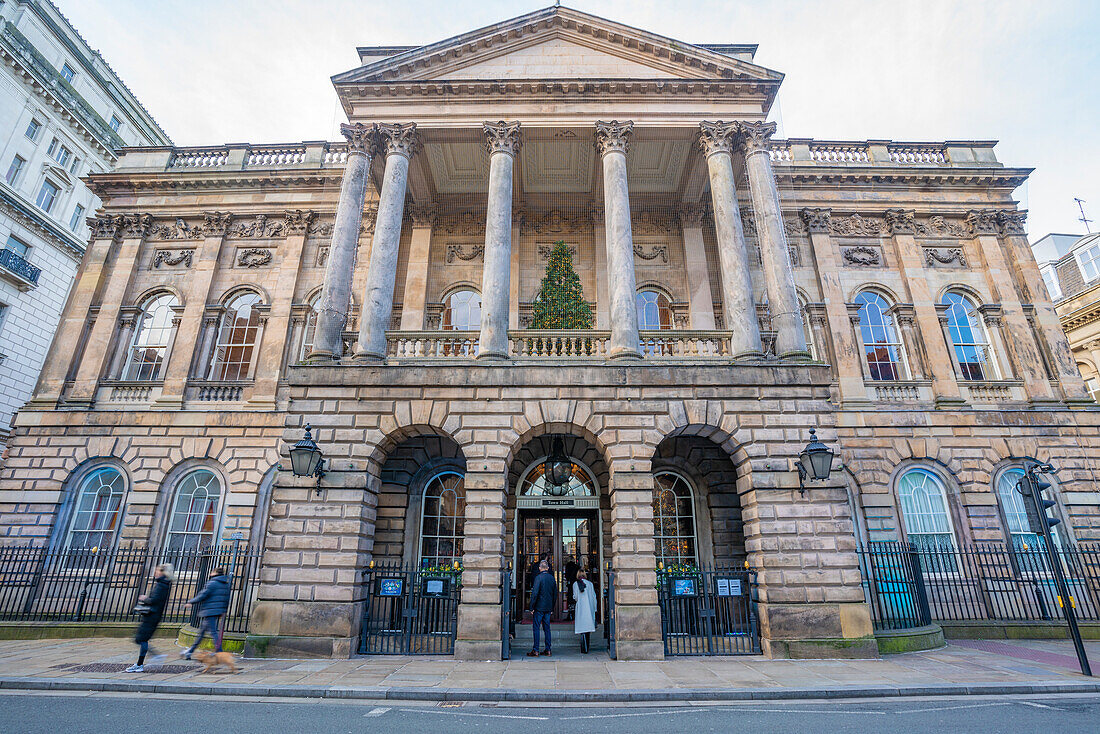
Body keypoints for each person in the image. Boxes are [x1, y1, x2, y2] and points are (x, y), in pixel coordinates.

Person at [126, 563, 174, 673]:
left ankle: (145, 661)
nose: (155, 573)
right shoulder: (162, 584)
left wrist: (145, 598)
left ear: (162, 572)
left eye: (157, 571)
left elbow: (155, 600)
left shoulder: (162, 585)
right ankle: (142, 662)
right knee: (141, 639)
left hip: (152, 616)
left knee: (140, 639)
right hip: (152, 615)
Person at [181, 566, 231, 659]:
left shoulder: (212, 583)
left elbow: (202, 595)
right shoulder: (225, 584)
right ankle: (190, 651)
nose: (210, 573)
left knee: (213, 632)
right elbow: (226, 599)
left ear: (215, 573)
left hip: (209, 611)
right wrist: (223, 610)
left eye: (212, 571)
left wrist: (190, 602)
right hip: (216, 611)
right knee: (202, 632)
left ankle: (219, 652)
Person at [527, 559, 556, 657]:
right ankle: (548, 649)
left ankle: (536, 650)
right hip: (548, 607)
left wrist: (531, 607)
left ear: (540, 568)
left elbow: (534, 594)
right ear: (547, 568)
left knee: (536, 628)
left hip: (539, 607)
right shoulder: (552, 578)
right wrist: (552, 607)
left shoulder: (538, 578)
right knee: (547, 628)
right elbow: (555, 594)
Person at [572, 569, 597, 654]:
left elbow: (575, 597)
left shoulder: (575, 584)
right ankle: (587, 647)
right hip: (589, 608)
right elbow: (594, 597)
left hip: (581, 608)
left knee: (582, 629)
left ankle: (583, 647)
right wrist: (595, 608)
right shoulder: (590, 584)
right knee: (588, 629)